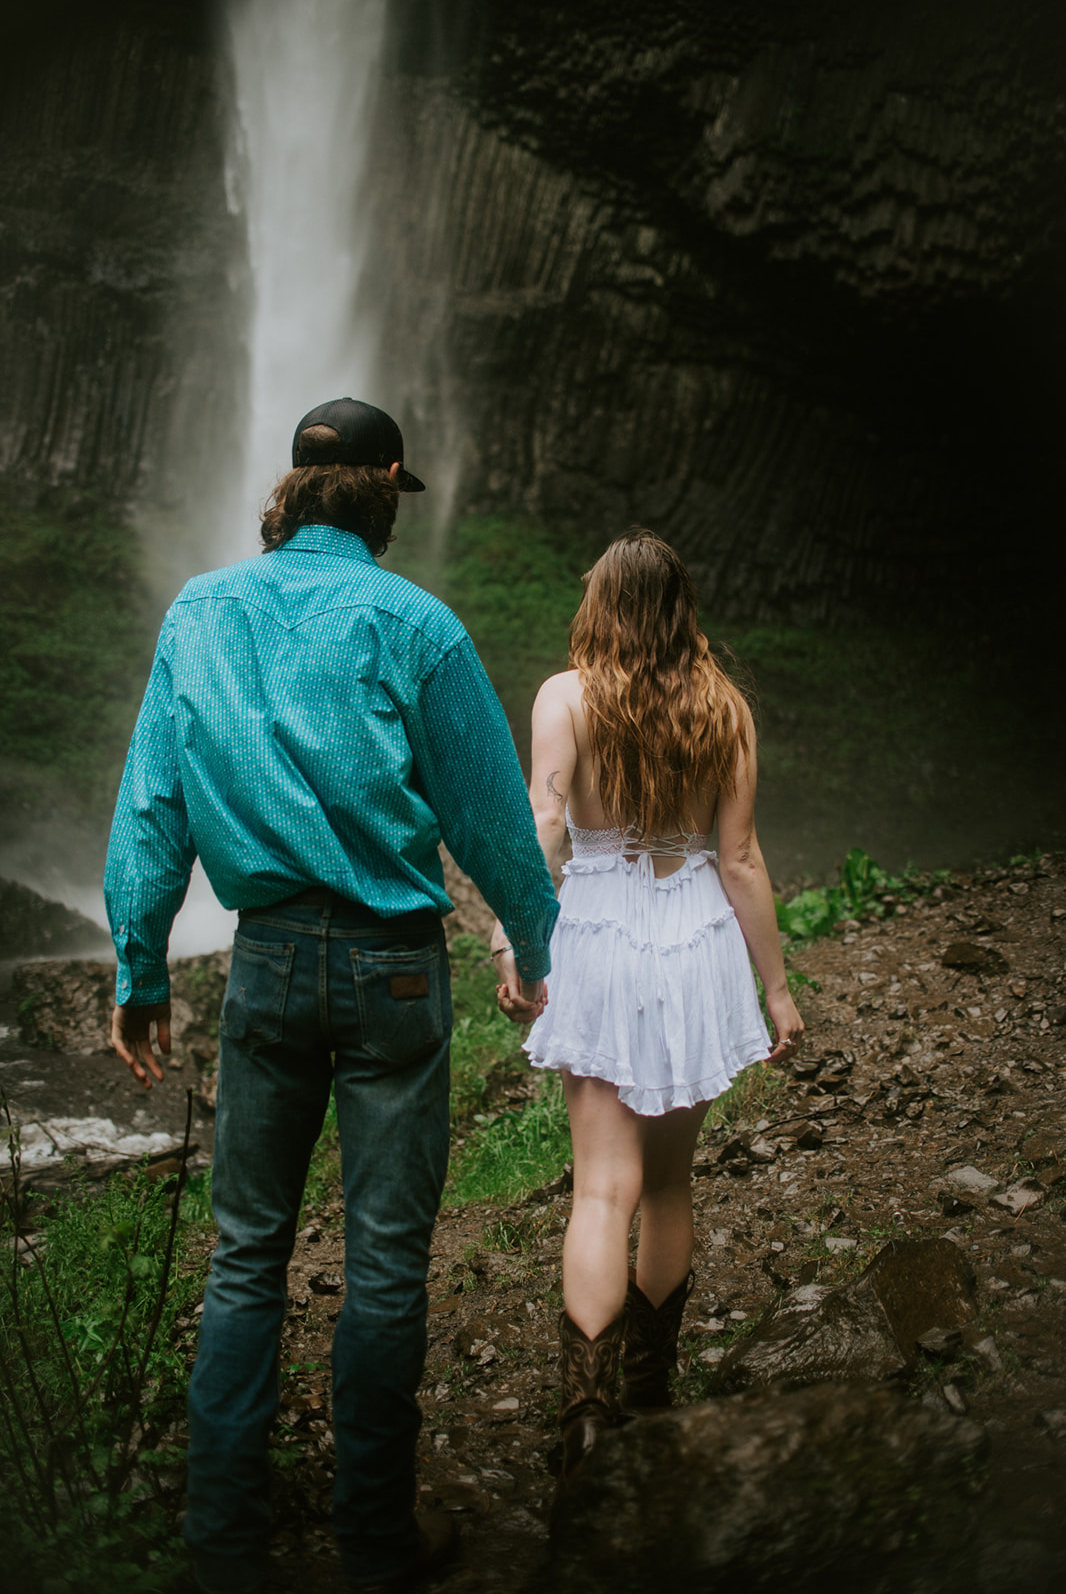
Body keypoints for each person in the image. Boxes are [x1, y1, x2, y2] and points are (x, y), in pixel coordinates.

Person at [104, 397, 558, 1594]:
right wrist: (537, 942)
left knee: (246, 1254)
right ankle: (371, 1540)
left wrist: (140, 968)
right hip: (395, 966)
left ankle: (222, 1544)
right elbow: (493, 820)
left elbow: (153, 806)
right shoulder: (419, 627)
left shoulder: (200, 610)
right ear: (382, 496)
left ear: (294, 490)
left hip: (262, 960)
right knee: (385, 1263)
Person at [491, 529, 804, 1483]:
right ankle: (650, 1396)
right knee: (668, 1185)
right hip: (698, 938)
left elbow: (547, 821)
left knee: (601, 1188)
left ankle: (585, 1420)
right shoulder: (726, 709)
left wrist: (514, 935)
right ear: (680, 609)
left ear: (601, 604)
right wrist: (778, 990)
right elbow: (741, 858)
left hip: (599, 932)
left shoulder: (567, 696)